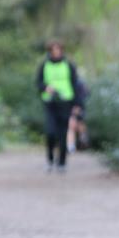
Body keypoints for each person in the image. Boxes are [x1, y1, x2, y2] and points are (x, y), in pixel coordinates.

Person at [36, 40, 81, 172]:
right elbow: (38, 83)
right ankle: (50, 160)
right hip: (50, 102)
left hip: (65, 102)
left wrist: (77, 104)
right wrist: (46, 88)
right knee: (50, 132)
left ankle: (62, 162)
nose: (56, 52)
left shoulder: (69, 65)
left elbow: (75, 85)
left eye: (58, 49)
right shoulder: (44, 65)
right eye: (53, 50)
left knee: (62, 133)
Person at [67, 77, 89, 154]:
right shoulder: (77, 81)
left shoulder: (77, 82)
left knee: (78, 125)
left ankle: (81, 141)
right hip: (74, 107)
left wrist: (77, 106)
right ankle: (72, 146)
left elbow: (85, 93)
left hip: (77, 107)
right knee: (72, 126)